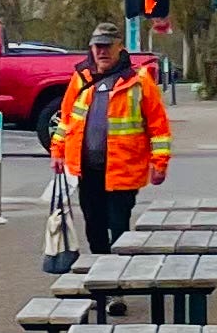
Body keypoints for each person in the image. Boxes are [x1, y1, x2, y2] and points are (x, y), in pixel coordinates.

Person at [51, 14, 170, 258]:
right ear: (91, 48)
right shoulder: (81, 78)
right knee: (93, 225)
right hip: (88, 169)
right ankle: (100, 272)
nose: (102, 51)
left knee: (119, 228)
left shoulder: (139, 82)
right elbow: (66, 120)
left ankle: (118, 276)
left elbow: (158, 127)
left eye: (107, 46)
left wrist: (160, 164)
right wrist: (57, 151)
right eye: (98, 46)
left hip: (123, 170)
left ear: (120, 48)